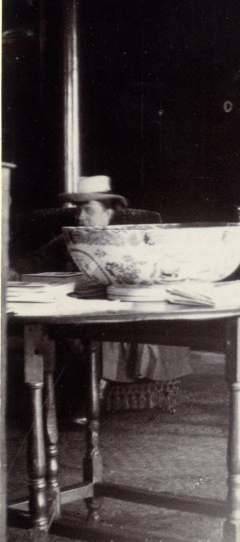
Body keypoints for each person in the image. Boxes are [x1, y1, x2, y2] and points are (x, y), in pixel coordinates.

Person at [12, 175, 191, 413]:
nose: (80, 216)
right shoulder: (69, 239)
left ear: (108, 214)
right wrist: (11, 272)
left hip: (123, 307)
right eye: (78, 210)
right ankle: (67, 404)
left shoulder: (132, 241)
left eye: (88, 210)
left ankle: (86, 399)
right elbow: (33, 261)